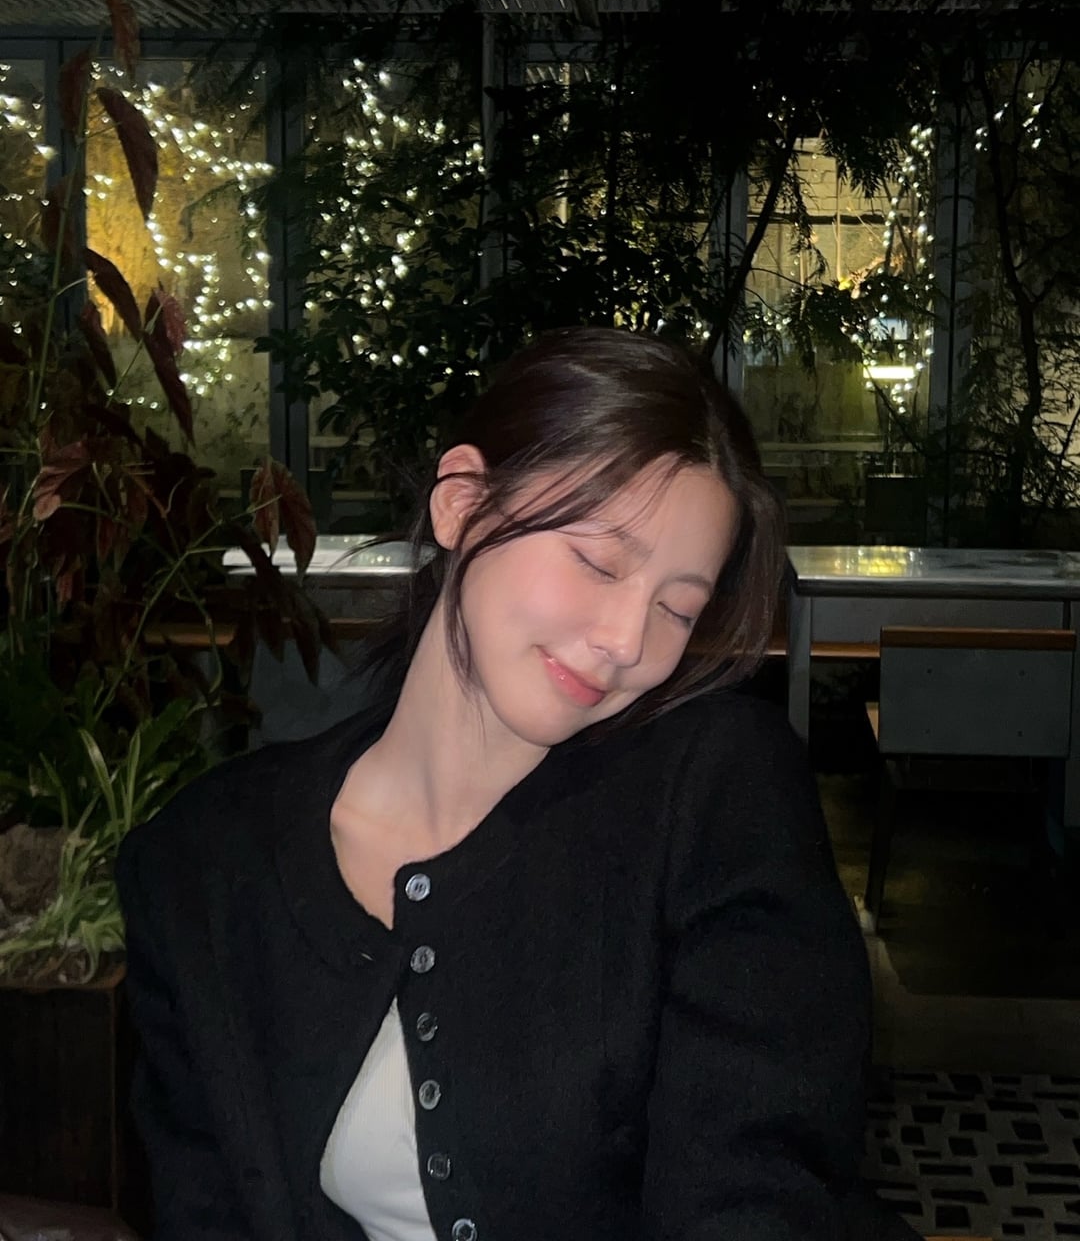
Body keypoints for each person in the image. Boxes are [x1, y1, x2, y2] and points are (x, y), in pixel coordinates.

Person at [117, 326, 914, 1241]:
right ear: (462, 503)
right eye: (598, 561)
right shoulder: (204, 865)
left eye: (677, 608)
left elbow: (755, 1186)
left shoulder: (712, 793)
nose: (627, 641)